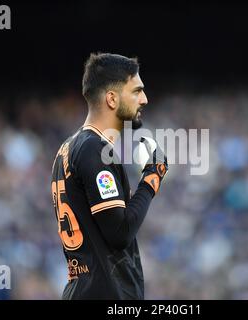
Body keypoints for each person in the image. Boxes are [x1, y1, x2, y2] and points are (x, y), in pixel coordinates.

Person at [51, 53, 168, 299]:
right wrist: (152, 178)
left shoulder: (69, 148)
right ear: (112, 99)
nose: (144, 99)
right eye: (136, 91)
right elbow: (120, 232)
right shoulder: (94, 148)